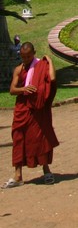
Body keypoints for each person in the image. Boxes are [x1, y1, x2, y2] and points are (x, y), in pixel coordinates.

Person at [2, 42, 59, 188]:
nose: (26, 59)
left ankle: (46, 170)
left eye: (28, 56)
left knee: (41, 137)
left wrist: (50, 61)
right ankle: (18, 175)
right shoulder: (18, 69)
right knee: (18, 137)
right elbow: (12, 90)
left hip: (37, 110)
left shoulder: (41, 65)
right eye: (23, 56)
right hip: (23, 108)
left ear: (34, 53)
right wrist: (24, 89)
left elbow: (52, 79)